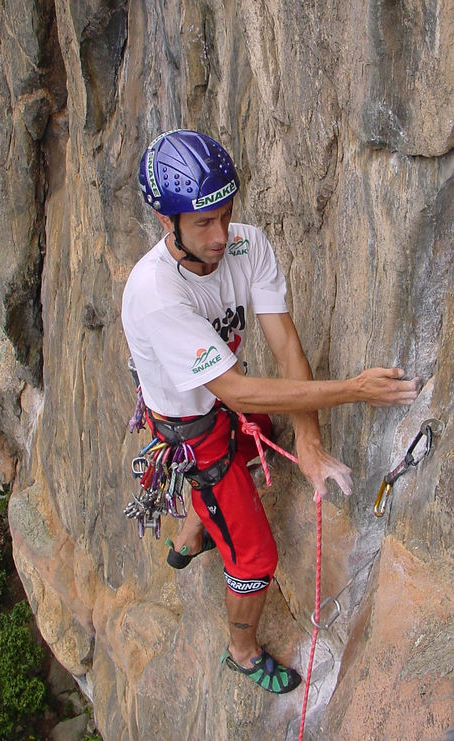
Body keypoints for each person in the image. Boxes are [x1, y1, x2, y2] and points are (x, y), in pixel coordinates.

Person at [121, 129, 421, 694]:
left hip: (221, 404)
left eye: (225, 214)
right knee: (255, 557)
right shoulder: (156, 293)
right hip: (193, 423)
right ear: (168, 224)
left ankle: (193, 534)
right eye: (203, 223)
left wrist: (308, 444)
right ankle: (239, 650)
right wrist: (354, 390)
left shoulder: (246, 245)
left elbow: (285, 345)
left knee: (256, 430)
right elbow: (240, 392)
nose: (220, 234)